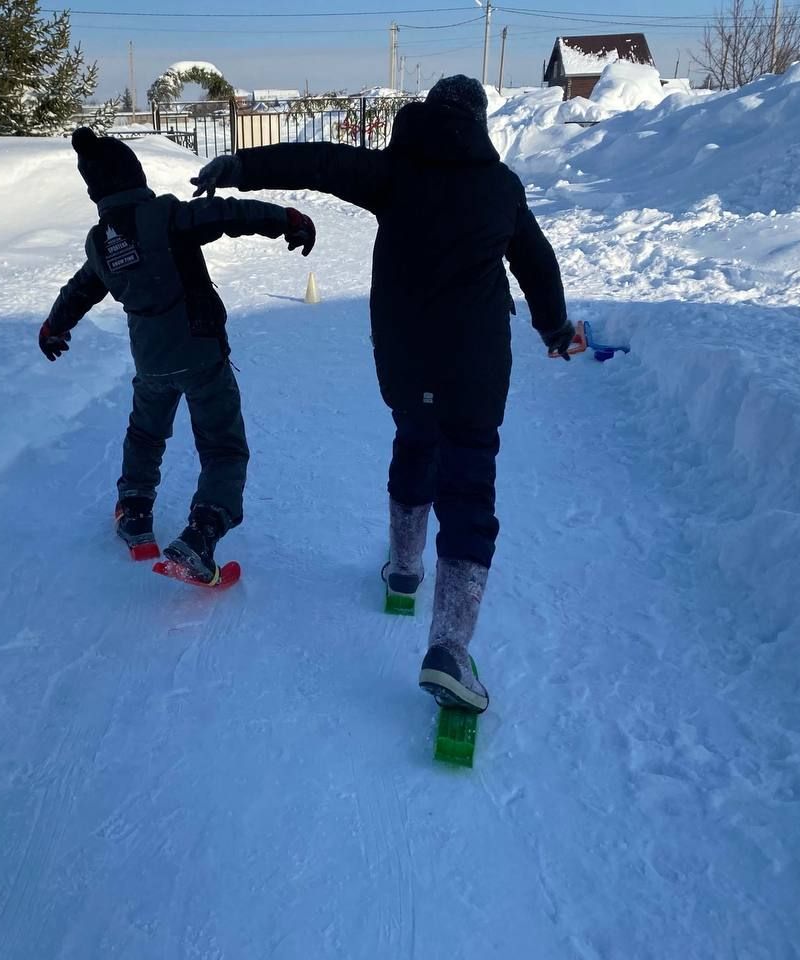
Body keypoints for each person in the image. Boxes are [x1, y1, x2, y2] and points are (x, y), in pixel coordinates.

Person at [190, 76, 574, 710]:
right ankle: (449, 647)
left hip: (404, 364)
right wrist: (555, 329)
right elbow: (538, 266)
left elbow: (316, 161)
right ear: (478, 123)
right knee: (469, 490)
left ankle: (403, 568)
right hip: (474, 373)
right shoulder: (499, 188)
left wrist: (237, 166)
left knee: (414, 444)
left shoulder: (394, 173)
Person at [39, 128, 317, 585]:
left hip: (151, 361)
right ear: (136, 173)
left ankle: (134, 512)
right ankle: (201, 535)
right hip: (201, 350)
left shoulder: (101, 240)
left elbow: (82, 287)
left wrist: (55, 326)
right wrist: (287, 218)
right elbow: (229, 213)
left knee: (146, 434)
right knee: (223, 446)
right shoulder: (165, 215)